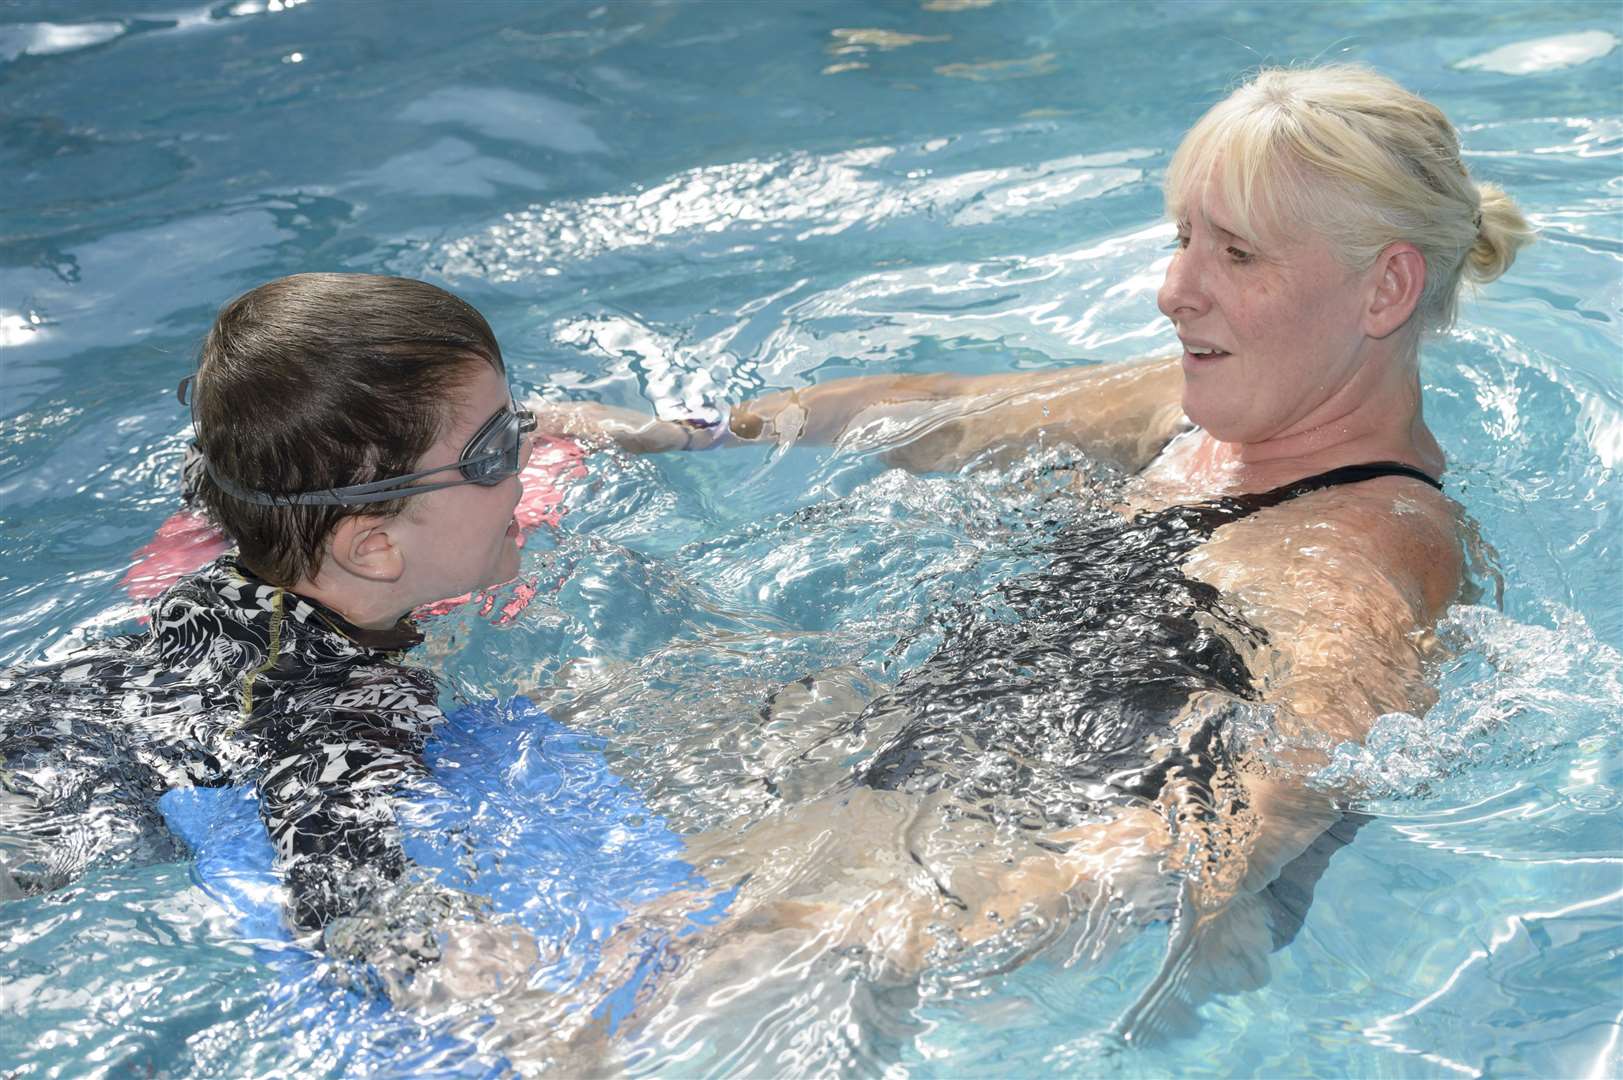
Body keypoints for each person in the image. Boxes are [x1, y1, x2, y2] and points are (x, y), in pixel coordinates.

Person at [527, 64, 1536, 1040]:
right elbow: (944, 414)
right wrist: (679, 433)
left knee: (603, 1000)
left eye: (1237, 255)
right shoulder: (1201, 415)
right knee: (552, 759)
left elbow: (1298, 774)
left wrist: (933, 925)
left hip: (999, 869)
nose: (1172, 289)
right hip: (921, 765)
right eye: (1184, 238)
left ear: (1385, 288)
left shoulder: (1367, 541)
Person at [0, 273, 544, 1008]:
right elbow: (350, 917)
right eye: (497, 450)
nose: (528, 463)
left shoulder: (247, 512)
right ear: (373, 548)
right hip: (46, 807)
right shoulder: (341, 708)